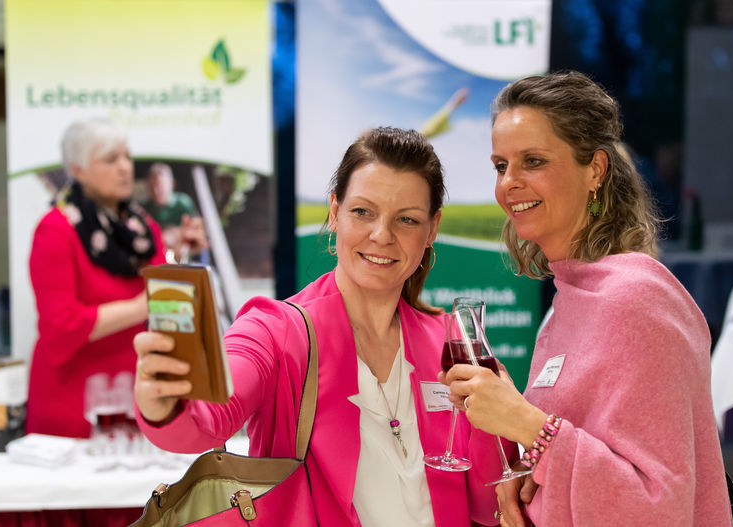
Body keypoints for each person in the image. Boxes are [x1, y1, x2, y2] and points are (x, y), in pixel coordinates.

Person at [133, 127, 505, 526]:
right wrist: (165, 402)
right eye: (363, 212)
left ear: (432, 229)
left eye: (407, 220)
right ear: (334, 212)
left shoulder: (450, 340)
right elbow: (207, 419)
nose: (381, 235)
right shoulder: (275, 331)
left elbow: (488, 507)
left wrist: (495, 419)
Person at [441, 72, 732, 526]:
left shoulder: (638, 301)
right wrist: (523, 460)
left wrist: (525, 423)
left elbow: (659, 503)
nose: (508, 184)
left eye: (532, 161)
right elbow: (574, 447)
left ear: (595, 169)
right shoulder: (572, 296)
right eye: (501, 166)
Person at [26, 117, 166, 439]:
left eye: (127, 157)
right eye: (110, 159)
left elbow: (166, 303)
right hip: (74, 401)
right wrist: (140, 307)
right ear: (77, 170)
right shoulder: (56, 229)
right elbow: (60, 325)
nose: (125, 168)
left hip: (136, 396)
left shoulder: (143, 228)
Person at [140, 162, 209, 263]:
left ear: (171, 183)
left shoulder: (183, 204)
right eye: (152, 187)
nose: (156, 191)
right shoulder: (143, 209)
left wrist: (177, 235)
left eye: (159, 186)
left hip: (182, 259)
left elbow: (199, 236)